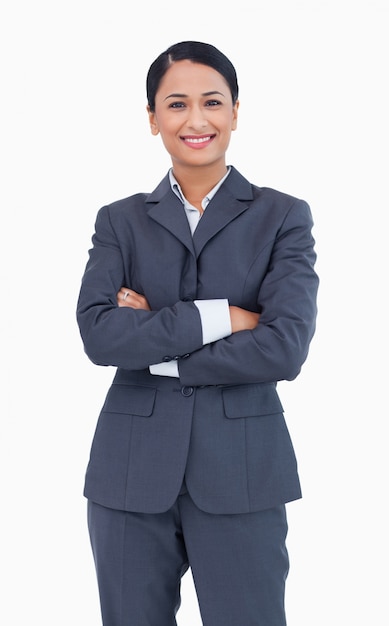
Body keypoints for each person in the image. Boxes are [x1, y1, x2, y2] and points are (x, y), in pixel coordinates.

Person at [76, 40, 319, 626]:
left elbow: (284, 347)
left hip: (243, 472)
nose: (196, 119)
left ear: (236, 111)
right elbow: (100, 336)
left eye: (212, 102)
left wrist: (156, 346)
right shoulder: (120, 221)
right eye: (176, 104)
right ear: (153, 118)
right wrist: (224, 317)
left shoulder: (283, 215)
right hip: (129, 475)